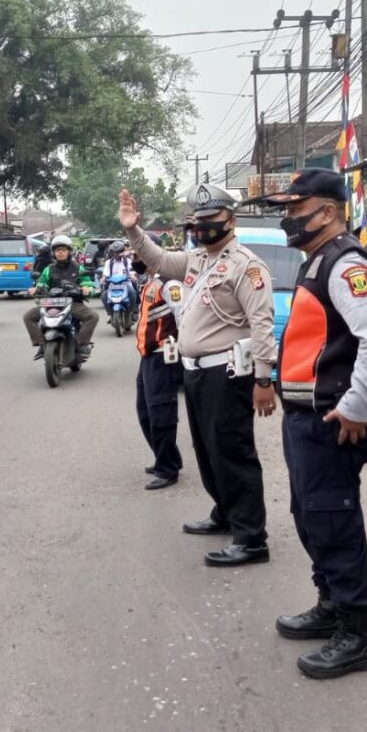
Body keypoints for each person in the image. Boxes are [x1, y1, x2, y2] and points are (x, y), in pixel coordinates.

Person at [261, 168, 367, 680]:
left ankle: (356, 634)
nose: (288, 218)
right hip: (306, 419)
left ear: (328, 211)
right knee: (311, 516)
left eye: (296, 208)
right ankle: (330, 605)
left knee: (334, 521)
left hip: (333, 421)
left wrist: (359, 405)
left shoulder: (343, 263)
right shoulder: (316, 262)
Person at [119, 184, 277, 568]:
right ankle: (225, 512)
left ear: (231, 221)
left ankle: (251, 538)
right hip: (196, 374)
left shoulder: (247, 266)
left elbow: (262, 326)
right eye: (197, 223)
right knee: (207, 450)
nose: (203, 229)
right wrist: (132, 230)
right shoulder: (196, 261)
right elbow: (156, 260)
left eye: (211, 221)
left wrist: (263, 380)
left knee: (233, 452)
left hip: (228, 373)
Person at [133, 257, 184, 491]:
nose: (137, 259)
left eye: (141, 254)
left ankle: (168, 468)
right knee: (145, 410)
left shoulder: (171, 283)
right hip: (148, 355)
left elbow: (183, 317)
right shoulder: (152, 281)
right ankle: (166, 457)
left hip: (163, 355)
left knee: (161, 412)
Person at [23, 234, 97, 360]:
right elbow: (42, 283)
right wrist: (36, 289)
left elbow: (87, 283)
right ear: (53, 253)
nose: (60, 253)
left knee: (93, 316)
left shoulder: (78, 268)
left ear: (69, 251)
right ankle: (41, 343)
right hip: (50, 303)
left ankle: (81, 344)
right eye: (57, 250)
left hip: (72, 303)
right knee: (28, 316)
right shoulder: (49, 269)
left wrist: (87, 288)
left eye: (63, 250)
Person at [99, 239, 137, 309]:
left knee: (133, 292)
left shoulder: (128, 261)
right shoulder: (108, 262)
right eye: (114, 252)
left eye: (118, 252)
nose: (116, 254)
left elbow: (132, 272)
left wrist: (132, 276)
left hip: (126, 285)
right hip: (112, 286)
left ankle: (133, 310)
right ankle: (110, 312)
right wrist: (103, 279)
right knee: (104, 296)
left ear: (122, 252)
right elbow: (105, 274)